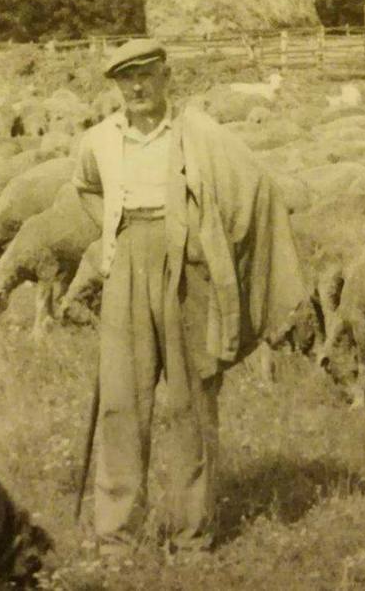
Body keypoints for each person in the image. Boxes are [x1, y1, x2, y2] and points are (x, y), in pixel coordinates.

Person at [71, 37, 310, 558]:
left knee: (191, 403)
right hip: (127, 263)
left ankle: (191, 533)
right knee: (121, 402)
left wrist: (214, 245)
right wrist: (110, 237)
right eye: (125, 78)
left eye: (146, 75)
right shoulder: (99, 141)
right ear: (115, 86)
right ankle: (116, 536)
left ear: (165, 77)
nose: (136, 86)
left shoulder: (199, 133)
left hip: (187, 268)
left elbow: (257, 188)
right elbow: (85, 187)